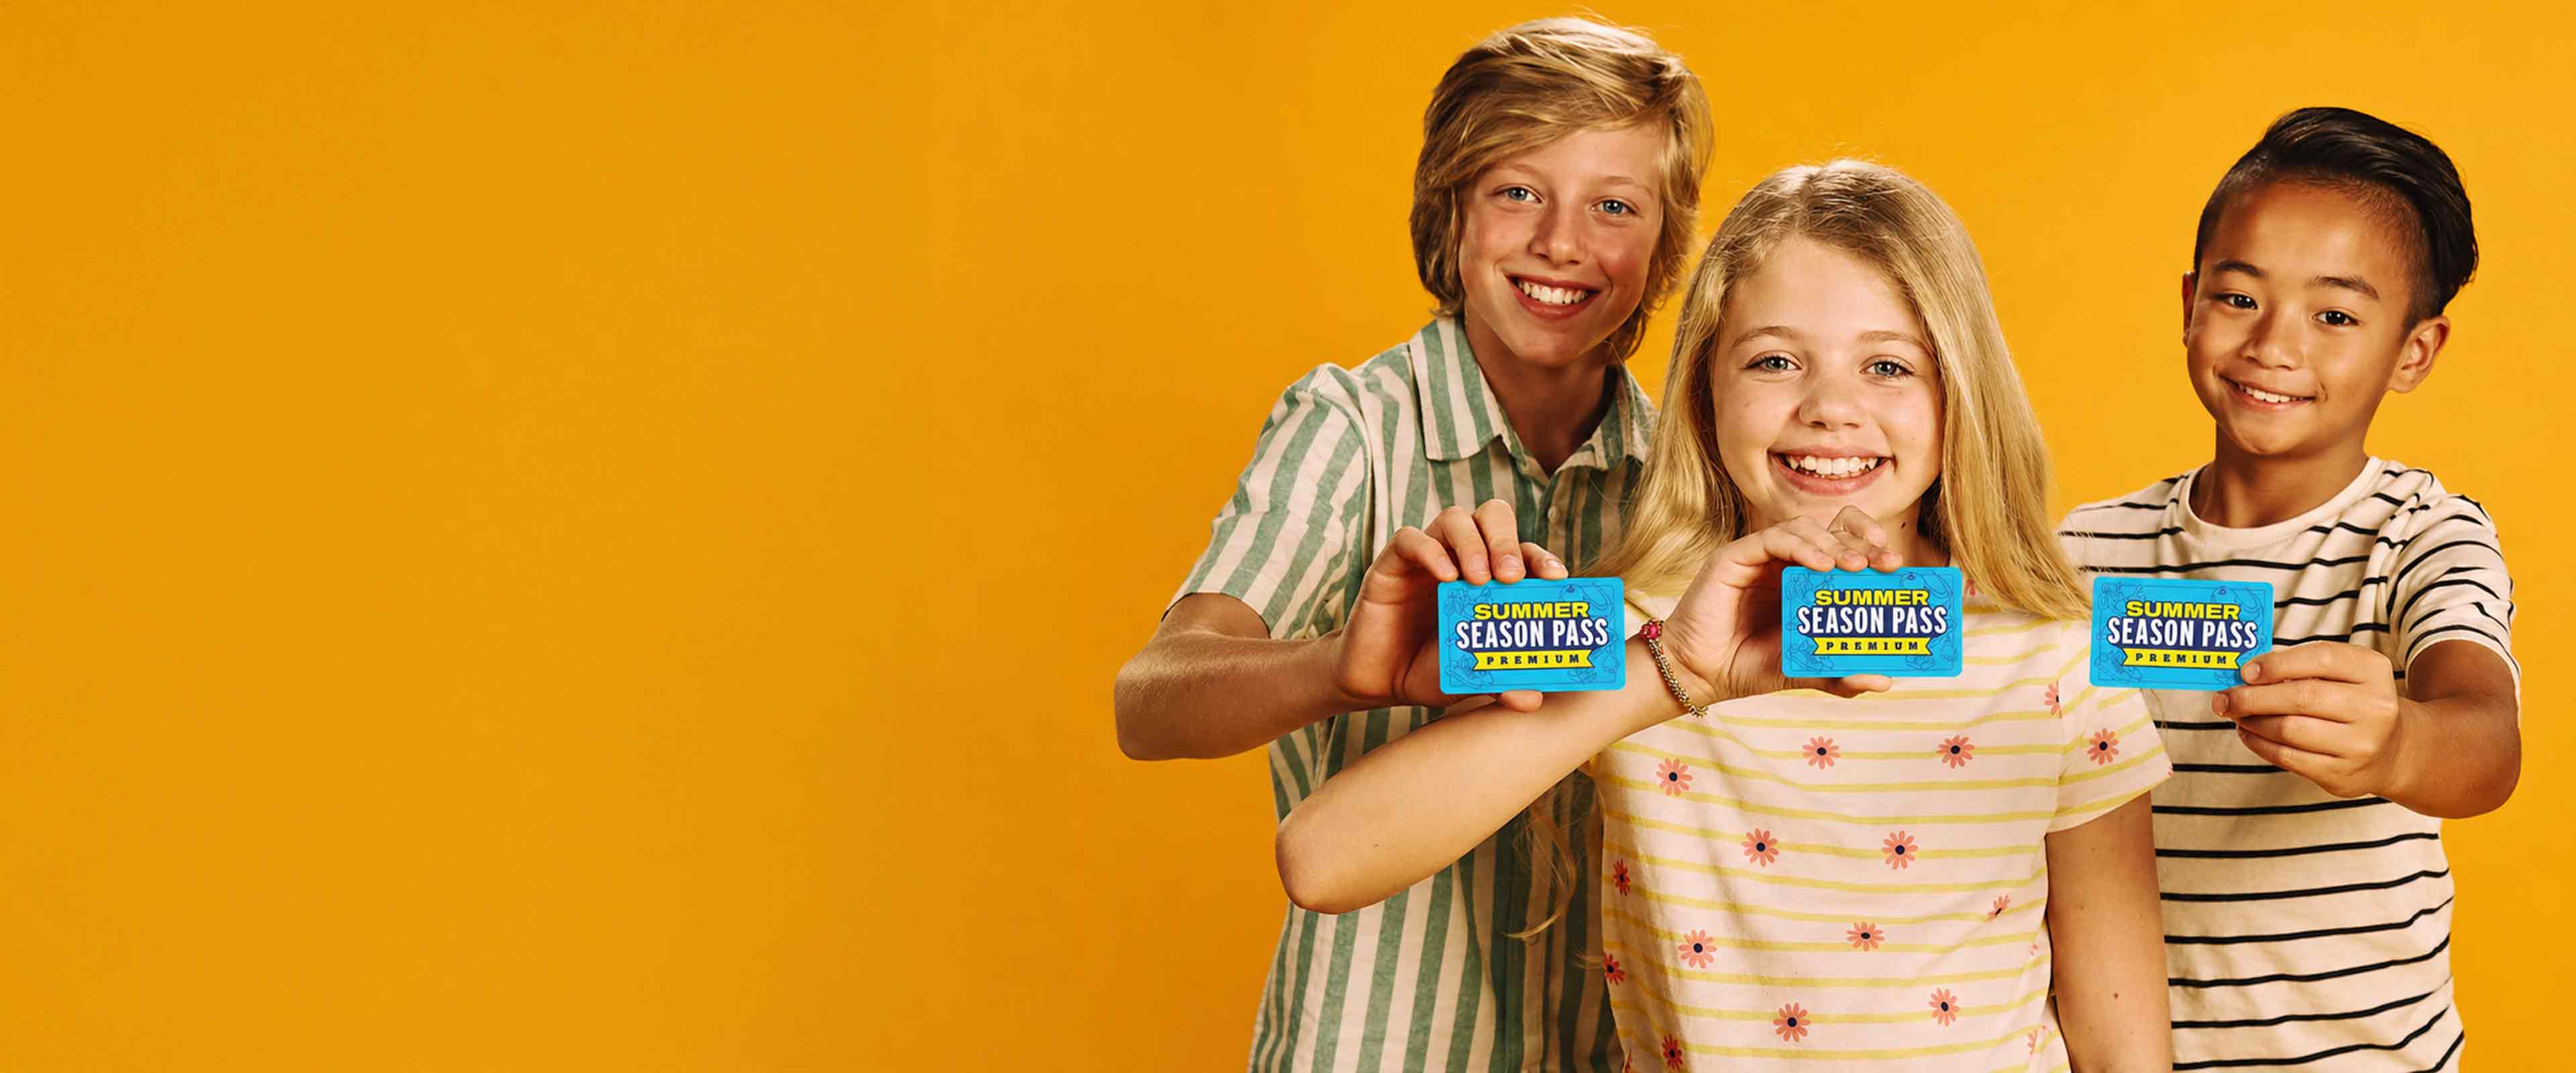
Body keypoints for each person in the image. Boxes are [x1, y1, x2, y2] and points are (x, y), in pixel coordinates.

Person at [1277, 160, 2173, 1071]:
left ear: (1960, 399)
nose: (1831, 408)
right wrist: (1672, 676)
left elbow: (2121, 1042)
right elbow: (1323, 862)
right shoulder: (1635, 635)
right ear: (1705, 390)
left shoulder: (2054, 655)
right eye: (1775, 361)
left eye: (1889, 366)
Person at [1112, 17, 1711, 1070]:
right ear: (1452, 208)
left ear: (1663, 247)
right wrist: (1340, 672)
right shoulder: (1352, 427)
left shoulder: (1685, 473)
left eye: (1613, 206)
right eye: (1518, 191)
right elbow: (1149, 699)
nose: (1561, 242)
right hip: (1372, 1045)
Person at [2059, 106, 2518, 1070]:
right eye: (2238, 298)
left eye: (2337, 316)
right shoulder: (2081, 550)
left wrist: (2402, 741)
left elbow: (2483, 737)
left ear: (2414, 352)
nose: (2275, 344)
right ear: (2189, 302)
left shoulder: (2422, 537)